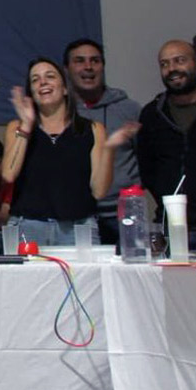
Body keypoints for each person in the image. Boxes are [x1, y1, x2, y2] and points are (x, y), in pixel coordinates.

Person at [0, 58, 137, 247]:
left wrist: (109, 148)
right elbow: (8, 174)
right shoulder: (17, 127)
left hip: (78, 229)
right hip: (28, 228)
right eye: (35, 80)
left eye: (50, 76)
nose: (43, 82)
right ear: (31, 93)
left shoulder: (93, 129)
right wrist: (26, 125)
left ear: (65, 88)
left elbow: (99, 191)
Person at [137, 39, 196, 250]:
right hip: (172, 230)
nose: (172, 68)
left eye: (180, 60)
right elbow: (148, 170)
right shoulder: (152, 114)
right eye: (164, 64)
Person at [63, 37, 142, 245]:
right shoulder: (59, 113)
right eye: (79, 61)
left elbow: (148, 160)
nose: (88, 67)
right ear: (66, 69)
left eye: (95, 61)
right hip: (78, 217)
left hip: (123, 215)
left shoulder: (129, 109)